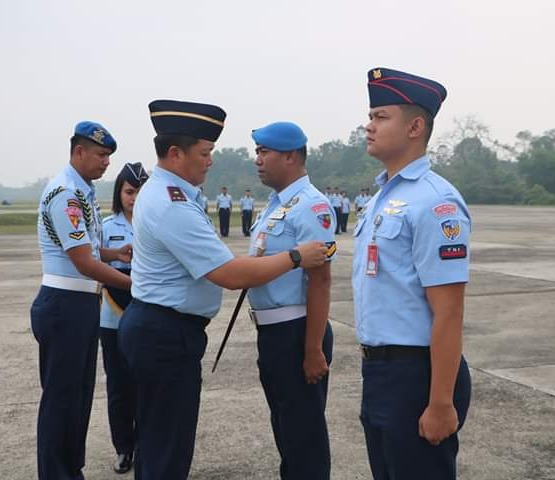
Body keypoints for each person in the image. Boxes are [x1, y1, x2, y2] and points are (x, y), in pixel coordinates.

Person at [118, 100, 328, 480]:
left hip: (168, 330)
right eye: (205, 152)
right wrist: (297, 257)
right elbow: (230, 274)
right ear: (175, 153)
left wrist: (313, 346)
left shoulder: (171, 194)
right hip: (165, 335)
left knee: (160, 441)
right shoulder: (171, 203)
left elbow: (322, 280)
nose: (211, 160)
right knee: (167, 447)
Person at [352, 68, 472, 480]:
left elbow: (449, 311)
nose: (369, 125)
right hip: (380, 371)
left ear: (415, 127)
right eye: (370, 116)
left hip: (417, 375)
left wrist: (440, 403)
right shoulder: (384, 197)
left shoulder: (435, 203)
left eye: (380, 116)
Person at [30, 121, 132, 479]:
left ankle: (70, 469)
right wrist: (134, 284)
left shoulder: (83, 191)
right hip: (64, 305)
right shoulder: (66, 194)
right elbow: (83, 262)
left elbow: (88, 249)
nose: (106, 163)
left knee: (78, 398)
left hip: (81, 305)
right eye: (101, 155)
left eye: (108, 157)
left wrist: (115, 253)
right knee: (61, 401)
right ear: (79, 152)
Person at [249, 122, 337, 480]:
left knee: (304, 436)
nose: (257, 160)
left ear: (290, 156)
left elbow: (320, 280)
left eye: (263, 152)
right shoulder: (275, 205)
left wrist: (313, 348)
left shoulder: (312, 206)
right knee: (286, 430)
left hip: (297, 333)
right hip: (273, 334)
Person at [100, 162, 149, 474]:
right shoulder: (106, 227)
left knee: (146, 383)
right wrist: (116, 255)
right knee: (119, 386)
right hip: (113, 314)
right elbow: (92, 257)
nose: (134, 198)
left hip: (147, 312)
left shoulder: (156, 223)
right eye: (129, 192)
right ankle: (123, 448)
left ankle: (147, 443)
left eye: (140, 192)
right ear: (119, 193)